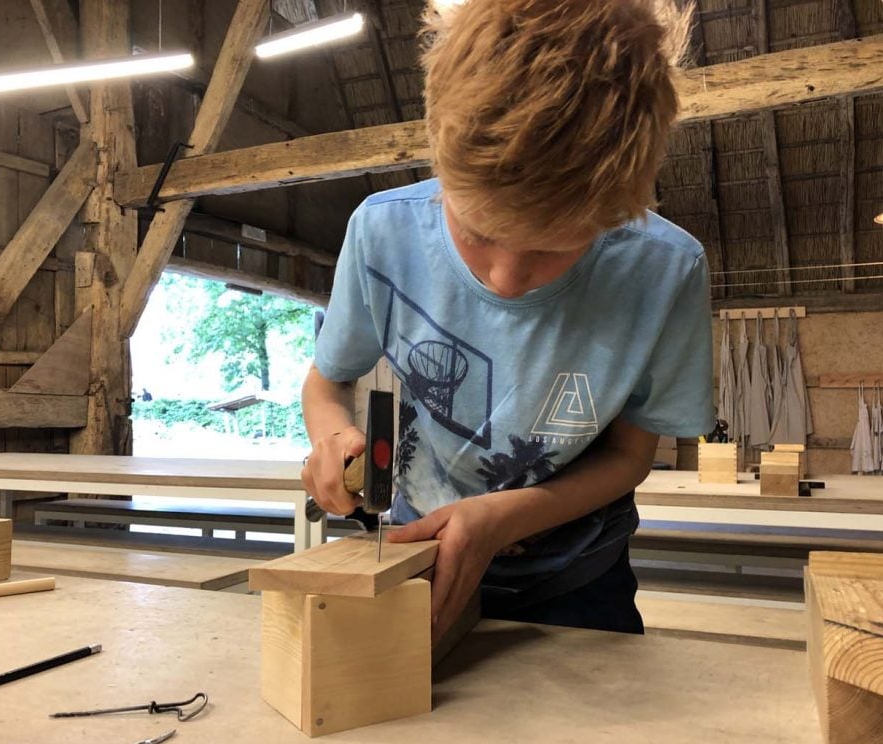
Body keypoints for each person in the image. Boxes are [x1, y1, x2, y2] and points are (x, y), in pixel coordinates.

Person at [301, 0, 712, 641]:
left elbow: (632, 456)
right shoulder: (381, 233)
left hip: (576, 578)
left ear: (617, 208)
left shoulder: (665, 271)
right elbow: (326, 384)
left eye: (553, 247)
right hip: (416, 554)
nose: (505, 278)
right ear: (441, 161)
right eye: (480, 230)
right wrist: (330, 440)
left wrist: (502, 518)